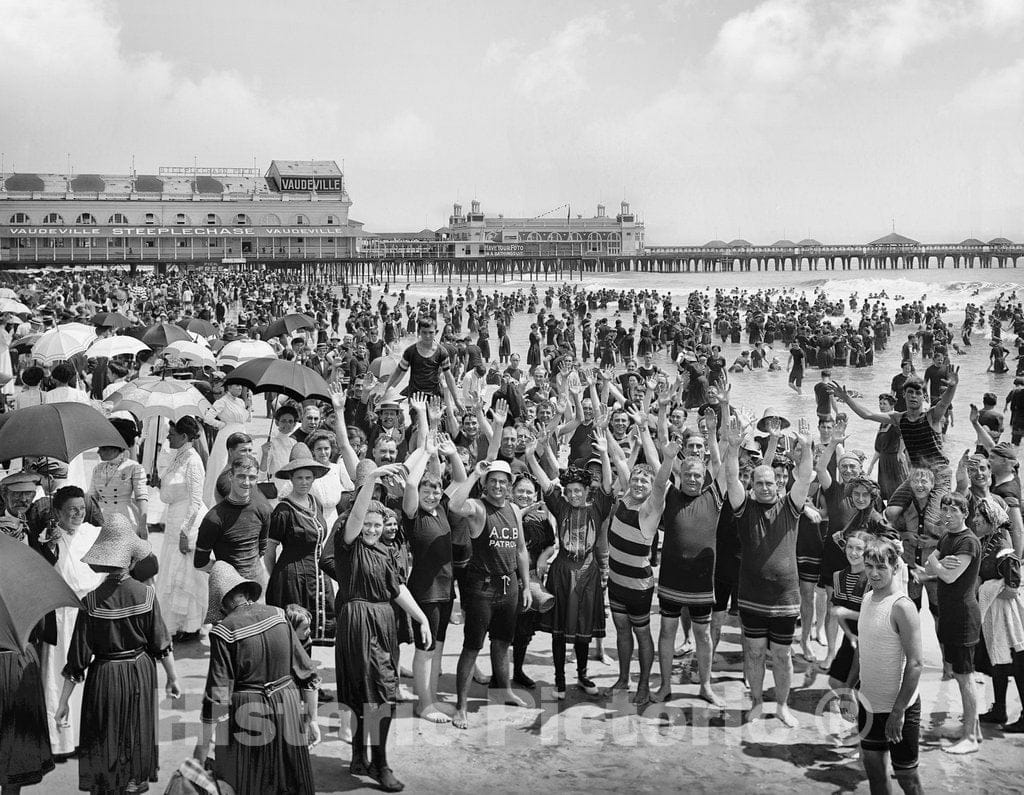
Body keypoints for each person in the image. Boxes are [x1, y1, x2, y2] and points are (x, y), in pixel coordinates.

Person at [321, 465, 432, 792]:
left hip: (383, 623)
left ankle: (359, 756)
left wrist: (421, 617)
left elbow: (397, 589)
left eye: (376, 524)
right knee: (377, 691)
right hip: (358, 621)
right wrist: (371, 480)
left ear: (385, 526)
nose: (370, 529)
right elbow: (354, 519)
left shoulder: (383, 550)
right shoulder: (348, 544)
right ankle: (380, 764)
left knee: (370, 689)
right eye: (366, 524)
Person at [54, 516, 180, 794]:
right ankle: (133, 784)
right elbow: (161, 644)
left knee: (105, 735)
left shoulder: (90, 602)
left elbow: (77, 660)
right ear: (132, 559)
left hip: (105, 676)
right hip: (139, 672)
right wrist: (173, 679)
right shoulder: (146, 594)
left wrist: (62, 703)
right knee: (136, 732)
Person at [194, 562, 319, 795]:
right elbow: (307, 673)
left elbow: (218, 694)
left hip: (249, 713)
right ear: (245, 592)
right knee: (291, 779)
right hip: (288, 703)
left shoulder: (224, 632)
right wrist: (312, 718)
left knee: (252, 781)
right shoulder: (279, 615)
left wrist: (201, 750)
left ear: (223, 601)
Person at [724, 416, 813, 727]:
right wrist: (733, 449)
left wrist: (805, 446)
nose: (764, 487)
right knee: (755, 653)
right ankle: (758, 702)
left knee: (783, 656)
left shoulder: (790, 507)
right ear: (754, 485)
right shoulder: (744, 508)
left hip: (785, 599)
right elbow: (732, 479)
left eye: (769, 483)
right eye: (759, 483)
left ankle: (783, 706)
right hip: (751, 597)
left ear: (778, 484)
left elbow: (804, 478)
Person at [447, 459, 533, 729]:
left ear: (509, 486)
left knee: (502, 642)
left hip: (509, 587)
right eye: (492, 481)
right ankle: (460, 706)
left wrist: (527, 585)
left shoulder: (514, 510)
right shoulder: (478, 508)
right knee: (472, 647)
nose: (498, 486)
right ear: (485, 484)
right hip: (480, 588)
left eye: (503, 482)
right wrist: (474, 474)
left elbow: (520, 550)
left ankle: (503, 690)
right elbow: (454, 505)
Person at [654, 421, 727, 707]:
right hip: (671, 578)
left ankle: (706, 686)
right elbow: (659, 481)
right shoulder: (671, 495)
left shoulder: (713, 498)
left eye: (698, 475)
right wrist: (669, 457)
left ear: (703, 477)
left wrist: (714, 437)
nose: (693, 480)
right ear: (681, 475)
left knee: (703, 635)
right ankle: (666, 685)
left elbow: (722, 468)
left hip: (700, 581)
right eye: (688, 475)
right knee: (667, 632)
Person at [847, 536, 924, 795]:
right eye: (869, 566)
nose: (875, 573)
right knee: (876, 776)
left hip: (900, 710)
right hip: (869, 706)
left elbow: (915, 663)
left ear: (894, 567)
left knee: (908, 778)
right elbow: (862, 650)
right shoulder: (867, 598)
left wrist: (898, 712)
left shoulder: (902, 607)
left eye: (881, 567)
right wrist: (848, 689)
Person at [605, 435, 677, 708]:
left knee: (641, 633)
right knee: (622, 631)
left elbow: (660, 484)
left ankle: (644, 683)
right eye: (635, 479)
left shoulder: (650, 509)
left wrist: (667, 458)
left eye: (643, 482)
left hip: (638, 588)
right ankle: (623, 678)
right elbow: (620, 458)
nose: (637, 483)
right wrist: (606, 429)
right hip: (615, 581)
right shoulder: (626, 496)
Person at [36, 486, 104, 760]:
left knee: (88, 676)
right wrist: (49, 545)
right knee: (61, 674)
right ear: (57, 512)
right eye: (71, 510)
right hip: (63, 615)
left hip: (92, 612)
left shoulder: (93, 533)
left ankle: (87, 737)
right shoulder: (49, 538)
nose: (78, 514)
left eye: (81, 508)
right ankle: (61, 740)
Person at [911, 491, 982, 754]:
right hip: (950, 615)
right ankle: (970, 730)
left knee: (965, 677)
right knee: (960, 675)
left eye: (954, 511)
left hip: (964, 617)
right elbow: (932, 569)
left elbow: (949, 577)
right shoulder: (948, 537)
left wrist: (935, 563)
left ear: (965, 513)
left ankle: (971, 739)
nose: (948, 515)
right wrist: (936, 565)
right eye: (945, 510)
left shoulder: (968, 542)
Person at [265, 444, 335, 647]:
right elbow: (269, 550)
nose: (304, 482)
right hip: (291, 579)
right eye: (299, 478)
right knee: (293, 632)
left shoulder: (316, 502)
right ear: (291, 479)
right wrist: (279, 578)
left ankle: (306, 675)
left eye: (308, 478)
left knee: (308, 633)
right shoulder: (283, 510)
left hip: (317, 577)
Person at [194, 453, 273, 607]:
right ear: (230, 476)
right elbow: (200, 562)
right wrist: (228, 572)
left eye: (252, 477)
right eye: (241, 476)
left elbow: (261, 550)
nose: (246, 482)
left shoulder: (263, 510)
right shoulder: (214, 518)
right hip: (231, 593)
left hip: (259, 587)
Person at [156, 416, 209, 642]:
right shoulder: (177, 456)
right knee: (172, 573)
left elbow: (196, 500)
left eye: (172, 434)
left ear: (185, 436)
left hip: (189, 520)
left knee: (186, 575)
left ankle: (191, 626)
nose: (168, 437)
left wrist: (185, 532)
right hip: (174, 518)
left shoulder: (193, 460)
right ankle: (174, 624)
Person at [203, 382, 252, 506]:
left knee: (242, 464)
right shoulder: (222, 401)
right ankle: (218, 497)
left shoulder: (240, 402)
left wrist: (248, 405)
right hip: (226, 436)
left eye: (240, 386)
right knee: (223, 464)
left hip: (241, 433)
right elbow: (208, 418)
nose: (240, 387)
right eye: (237, 385)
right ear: (229, 388)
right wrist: (221, 425)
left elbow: (246, 419)